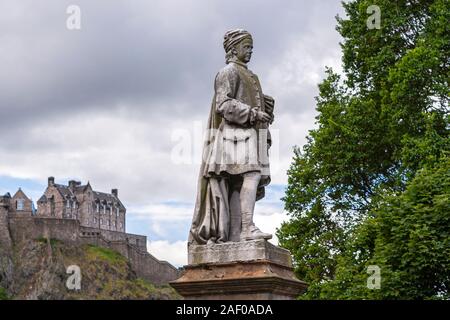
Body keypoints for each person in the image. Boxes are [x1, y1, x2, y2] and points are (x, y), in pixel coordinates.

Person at [189, 29, 275, 245]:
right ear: (234, 48)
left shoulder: (251, 75)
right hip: (234, 135)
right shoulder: (228, 72)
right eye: (246, 46)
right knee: (252, 174)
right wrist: (253, 113)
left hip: (248, 134)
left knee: (239, 184)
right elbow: (223, 104)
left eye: (251, 47)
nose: (250, 51)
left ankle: (238, 232)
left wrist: (266, 108)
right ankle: (247, 227)